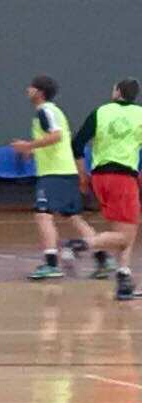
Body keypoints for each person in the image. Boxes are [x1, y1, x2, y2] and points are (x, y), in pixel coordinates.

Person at [10, 75, 99, 280]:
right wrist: (33, 151)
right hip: (65, 171)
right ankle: (103, 257)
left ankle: (51, 264)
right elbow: (58, 141)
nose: (27, 90)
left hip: (54, 173)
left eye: (31, 87)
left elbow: (56, 136)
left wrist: (28, 145)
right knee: (73, 217)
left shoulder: (45, 111)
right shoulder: (54, 111)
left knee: (43, 215)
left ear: (39, 92)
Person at [68, 78, 142, 300]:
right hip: (123, 176)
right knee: (125, 235)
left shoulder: (101, 112)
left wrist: (82, 174)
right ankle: (81, 245)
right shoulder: (139, 115)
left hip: (100, 177)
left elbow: (77, 144)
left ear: (117, 92)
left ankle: (124, 278)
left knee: (124, 228)